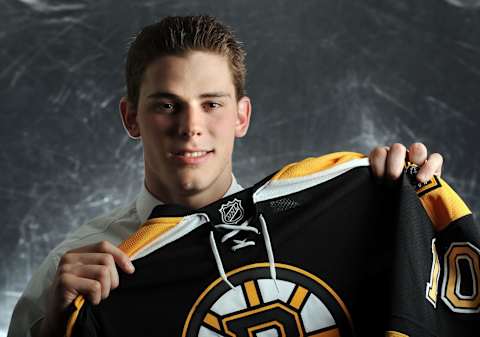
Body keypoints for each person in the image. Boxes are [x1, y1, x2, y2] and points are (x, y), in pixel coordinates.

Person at [7, 15, 444, 337]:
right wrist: (57, 328)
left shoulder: (343, 219)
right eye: (166, 105)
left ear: (242, 116)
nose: (190, 126)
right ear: (131, 118)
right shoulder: (73, 272)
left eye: (211, 104)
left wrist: (409, 206)